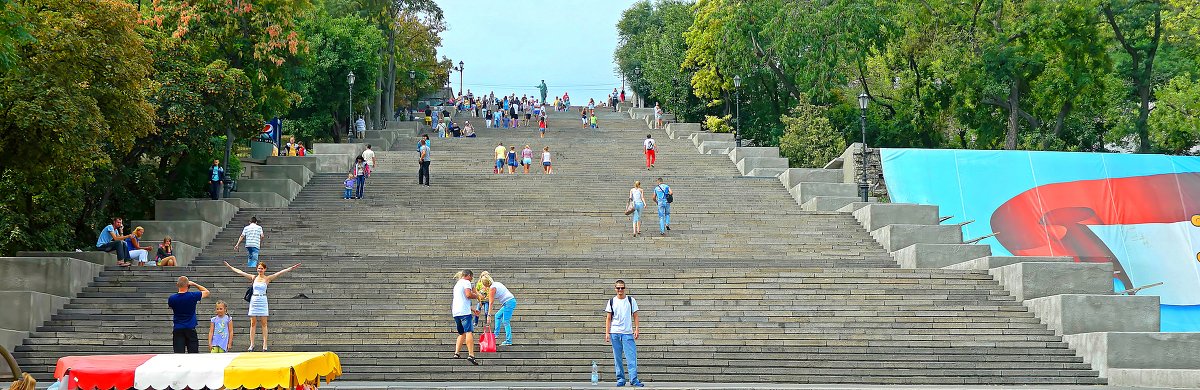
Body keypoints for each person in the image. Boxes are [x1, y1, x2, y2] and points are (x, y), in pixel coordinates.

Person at [223, 261, 301, 351]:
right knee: (253, 323)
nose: (260, 270)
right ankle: (252, 344)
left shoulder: (267, 278)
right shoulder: (254, 277)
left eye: (261, 268)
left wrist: (291, 268)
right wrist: (230, 266)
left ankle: (265, 344)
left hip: (263, 300)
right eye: (258, 268)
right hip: (254, 300)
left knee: (264, 323)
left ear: (265, 269)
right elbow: (240, 272)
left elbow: (279, 273)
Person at [604, 280, 643, 387]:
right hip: (615, 332)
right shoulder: (611, 301)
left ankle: (634, 379)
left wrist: (637, 329)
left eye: (622, 288)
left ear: (625, 288)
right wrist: (607, 333)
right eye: (618, 288)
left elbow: (635, 315)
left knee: (631, 357)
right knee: (617, 357)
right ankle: (620, 379)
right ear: (615, 289)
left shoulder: (631, 300)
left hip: (627, 333)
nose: (620, 290)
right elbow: (608, 318)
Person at [168, 276, 210, 354]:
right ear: (188, 285)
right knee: (193, 354)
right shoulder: (192, 296)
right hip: (190, 327)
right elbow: (206, 292)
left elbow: (170, 307)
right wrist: (194, 284)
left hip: (178, 328)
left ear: (177, 285)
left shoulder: (172, 298)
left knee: (179, 354)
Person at [450, 270, 481, 365]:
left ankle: (457, 353)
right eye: (471, 277)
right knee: (468, 332)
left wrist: (472, 309)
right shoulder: (466, 282)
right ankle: (471, 355)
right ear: (468, 275)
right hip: (464, 312)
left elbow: (461, 300)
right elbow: (468, 295)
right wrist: (477, 296)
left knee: (462, 333)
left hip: (456, 312)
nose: (472, 279)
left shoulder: (457, 284)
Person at [479, 272, 517, 346]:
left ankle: (508, 340)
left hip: (508, 302)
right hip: (510, 301)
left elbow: (491, 303)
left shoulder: (492, 288)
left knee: (505, 321)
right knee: (497, 316)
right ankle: (495, 335)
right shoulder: (496, 283)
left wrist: (489, 315)